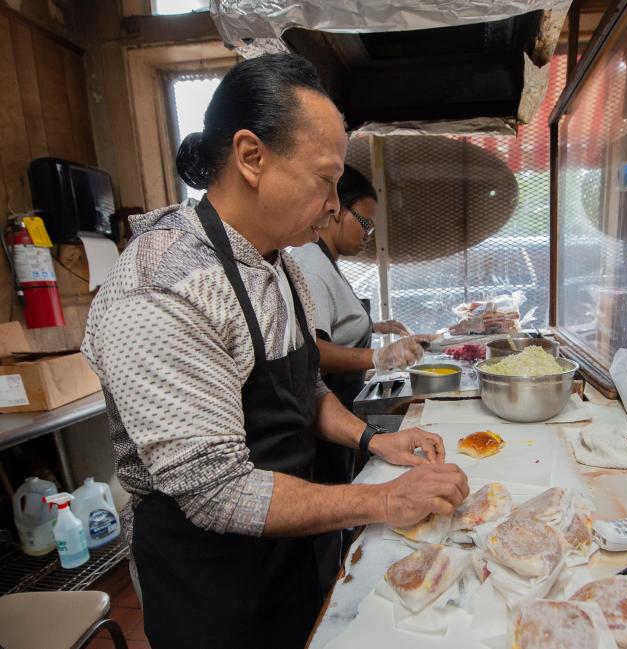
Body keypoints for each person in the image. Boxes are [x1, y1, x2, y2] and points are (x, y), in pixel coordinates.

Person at [81, 53, 468, 649]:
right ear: (251, 157)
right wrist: (385, 498)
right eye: (325, 178)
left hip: (291, 549)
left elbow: (302, 386)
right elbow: (217, 490)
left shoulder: (279, 263)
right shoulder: (163, 285)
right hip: (211, 585)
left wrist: (372, 440)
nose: (337, 204)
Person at [289, 163, 428, 414]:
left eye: (371, 229)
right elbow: (312, 349)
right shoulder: (311, 265)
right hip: (326, 413)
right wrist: (378, 356)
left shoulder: (326, 262)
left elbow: (330, 318)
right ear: (339, 211)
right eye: (366, 224)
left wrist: (373, 326)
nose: (367, 236)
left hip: (343, 404)